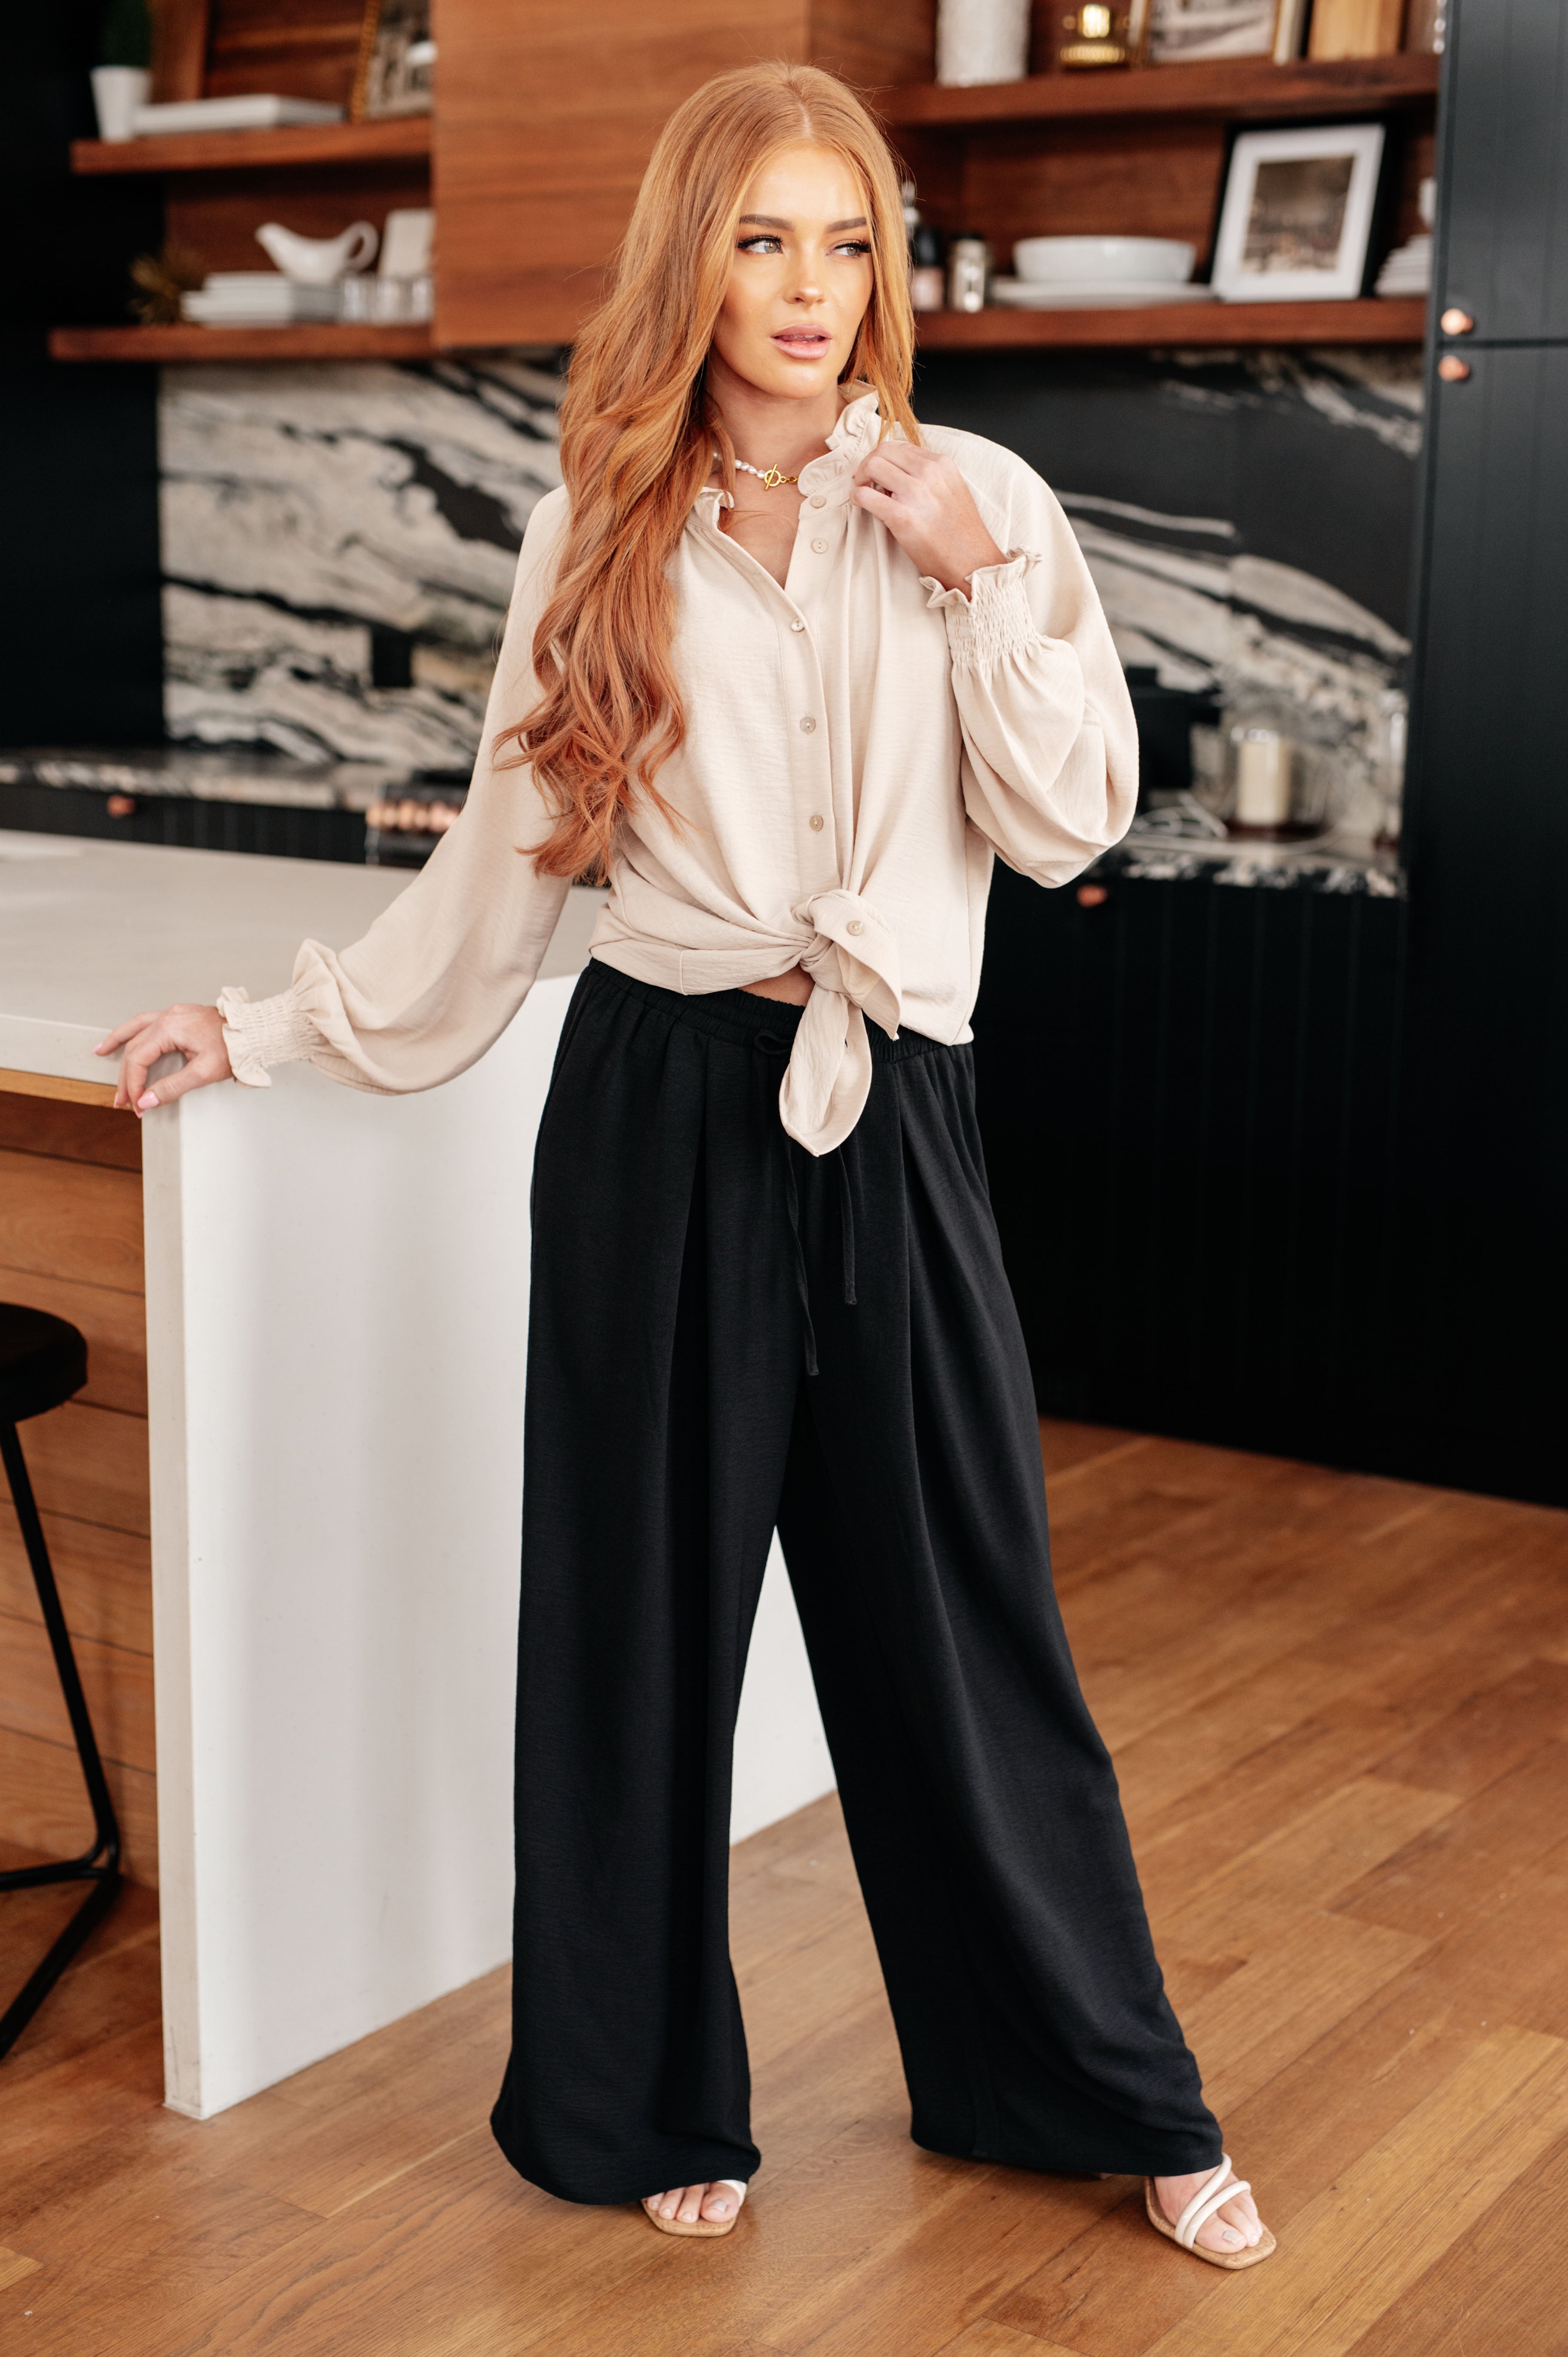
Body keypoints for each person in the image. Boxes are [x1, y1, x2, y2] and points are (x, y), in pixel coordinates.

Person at [98, 62, 1272, 2270]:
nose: (811, 290)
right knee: (634, 1626)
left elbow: (1074, 821)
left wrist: (979, 581)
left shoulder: (981, 496)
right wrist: (271, 1025)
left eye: (848, 244)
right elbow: (510, 863)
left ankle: (1104, 2090)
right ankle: (635, 2101)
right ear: (693, 260)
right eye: (764, 240)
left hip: (891, 1099)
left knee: (962, 1626)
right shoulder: (597, 523)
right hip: (653, 1104)